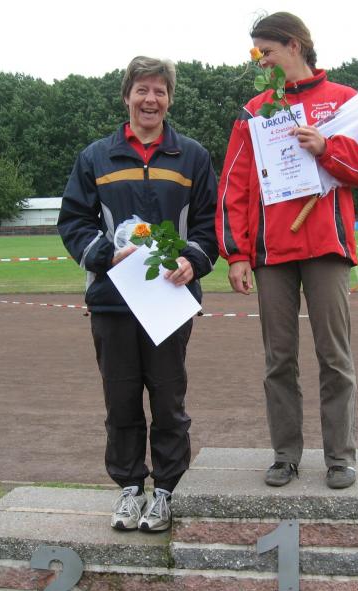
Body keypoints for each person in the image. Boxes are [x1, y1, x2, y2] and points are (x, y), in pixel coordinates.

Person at [216, 12, 358, 489]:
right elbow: (234, 184)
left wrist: (327, 148)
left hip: (325, 247)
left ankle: (340, 457)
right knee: (279, 360)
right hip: (271, 252)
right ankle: (285, 455)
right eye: (256, 54)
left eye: (266, 52)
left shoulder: (346, 101)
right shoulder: (254, 111)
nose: (260, 61)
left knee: (334, 356)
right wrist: (236, 253)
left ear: (294, 45)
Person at [58, 56, 218, 531]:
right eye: (142, 90)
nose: (151, 99)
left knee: (168, 402)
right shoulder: (95, 157)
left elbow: (209, 224)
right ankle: (130, 489)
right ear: (126, 96)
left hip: (170, 302)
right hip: (113, 301)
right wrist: (106, 255)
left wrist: (193, 260)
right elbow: (73, 221)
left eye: (160, 91)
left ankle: (166, 491)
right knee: (121, 400)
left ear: (170, 99)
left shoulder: (192, 156)